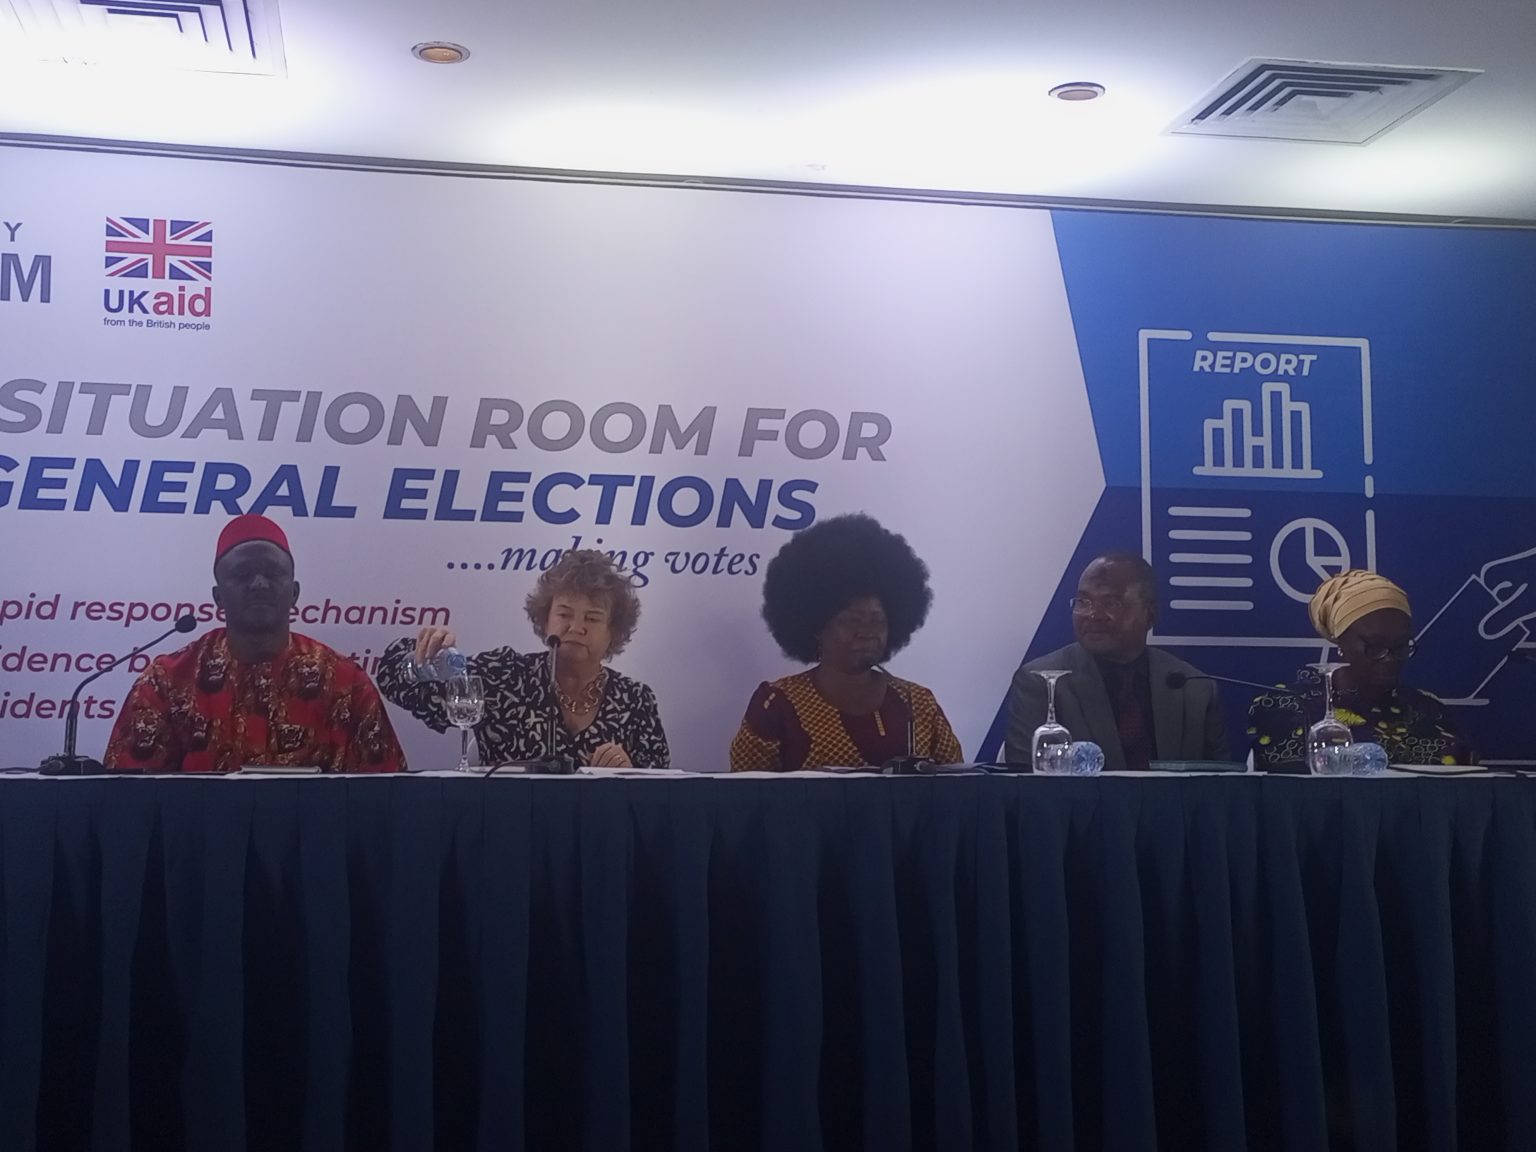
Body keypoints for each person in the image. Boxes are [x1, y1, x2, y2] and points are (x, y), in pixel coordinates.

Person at [104, 515, 405, 773]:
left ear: (295, 593)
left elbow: (386, 795)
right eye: (242, 574)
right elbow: (127, 797)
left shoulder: (346, 683)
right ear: (218, 597)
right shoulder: (166, 683)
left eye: (272, 573)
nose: (259, 583)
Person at [377, 549, 669, 768]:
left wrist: (628, 773)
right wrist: (426, 660)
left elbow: (661, 791)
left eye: (592, 618)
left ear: (613, 633)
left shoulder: (635, 700)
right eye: (564, 614)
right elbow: (393, 679)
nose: (576, 628)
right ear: (544, 619)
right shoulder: (504, 675)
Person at [729, 513, 963, 771]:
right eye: (853, 620)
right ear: (817, 626)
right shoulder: (777, 703)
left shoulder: (918, 702)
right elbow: (744, 788)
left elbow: (961, 784)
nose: (867, 631)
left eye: (878, 620)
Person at [1004, 552, 1230, 770]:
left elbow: (1222, 786)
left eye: (1111, 603)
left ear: (1149, 615)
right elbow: (1025, 785)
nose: (1093, 615)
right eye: (1083, 601)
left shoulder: (1194, 688)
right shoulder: (1041, 684)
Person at [1247, 569, 1472, 770]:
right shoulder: (1287, 706)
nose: (1390, 658)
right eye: (1375, 647)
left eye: (1401, 646)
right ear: (1340, 641)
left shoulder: (1428, 709)